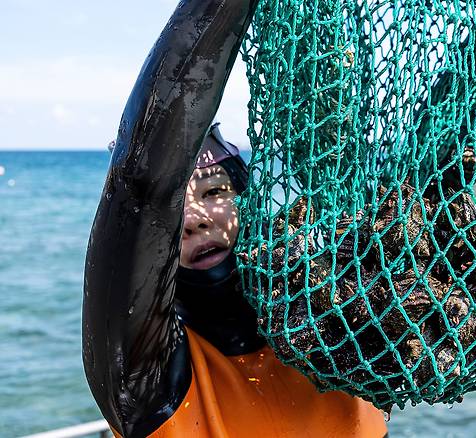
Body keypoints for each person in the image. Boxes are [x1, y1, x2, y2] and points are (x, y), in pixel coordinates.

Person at [82, 1, 387, 437]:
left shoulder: (346, 327)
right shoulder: (143, 376)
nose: (195, 220)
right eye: (176, 211)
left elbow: (425, 174)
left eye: (214, 191)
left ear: (249, 201)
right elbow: (143, 194)